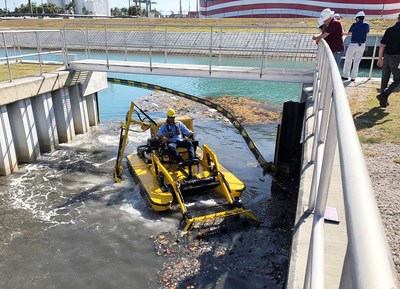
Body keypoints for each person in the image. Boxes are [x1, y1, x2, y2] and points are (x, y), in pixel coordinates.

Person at [376, 14, 400, 108]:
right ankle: (385, 94)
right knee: (398, 79)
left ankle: (383, 101)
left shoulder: (389, 30)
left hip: (386, 56)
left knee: (384, 78)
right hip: (397, 58)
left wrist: (379, 58)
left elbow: (382, 45)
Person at [342, 11, 370, 82]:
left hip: (353, 44)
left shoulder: (354, 25)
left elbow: (349, 33)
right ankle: (353, 77)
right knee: (357, 61)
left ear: (357, 18)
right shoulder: (366, 25)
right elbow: (367, 32)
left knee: (348, 60)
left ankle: (345, 75)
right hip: (362, 45)